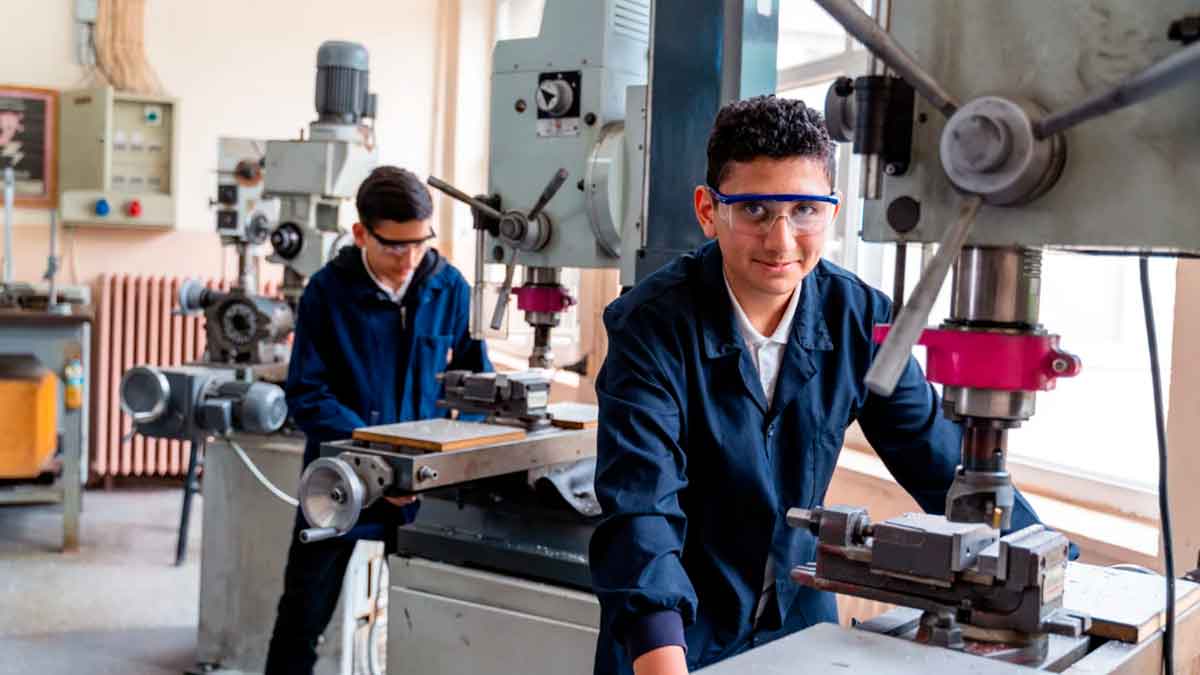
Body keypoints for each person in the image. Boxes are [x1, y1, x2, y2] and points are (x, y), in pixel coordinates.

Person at [589, 96, 1051, 674]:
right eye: (755, 210)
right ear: (709, 210)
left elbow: (946, 466)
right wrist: (660, 655)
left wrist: (1049, 565)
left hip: (799, 627)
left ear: (832, 212)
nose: (782, 241)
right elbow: (641, 509)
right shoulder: (650, 327)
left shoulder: (857, 318)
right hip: (673, 633)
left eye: (805, 209)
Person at [265, 166, 491, 674]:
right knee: (303, 612)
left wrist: (447, 458)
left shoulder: (449, 288)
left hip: (424, 486)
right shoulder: (327, 292)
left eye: (421, 243)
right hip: (340, 478)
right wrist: (378, 465)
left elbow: (477, 384)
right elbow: (308, 391)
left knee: (430, 615)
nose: (410, 258)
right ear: (362, 233)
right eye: (395, 246)